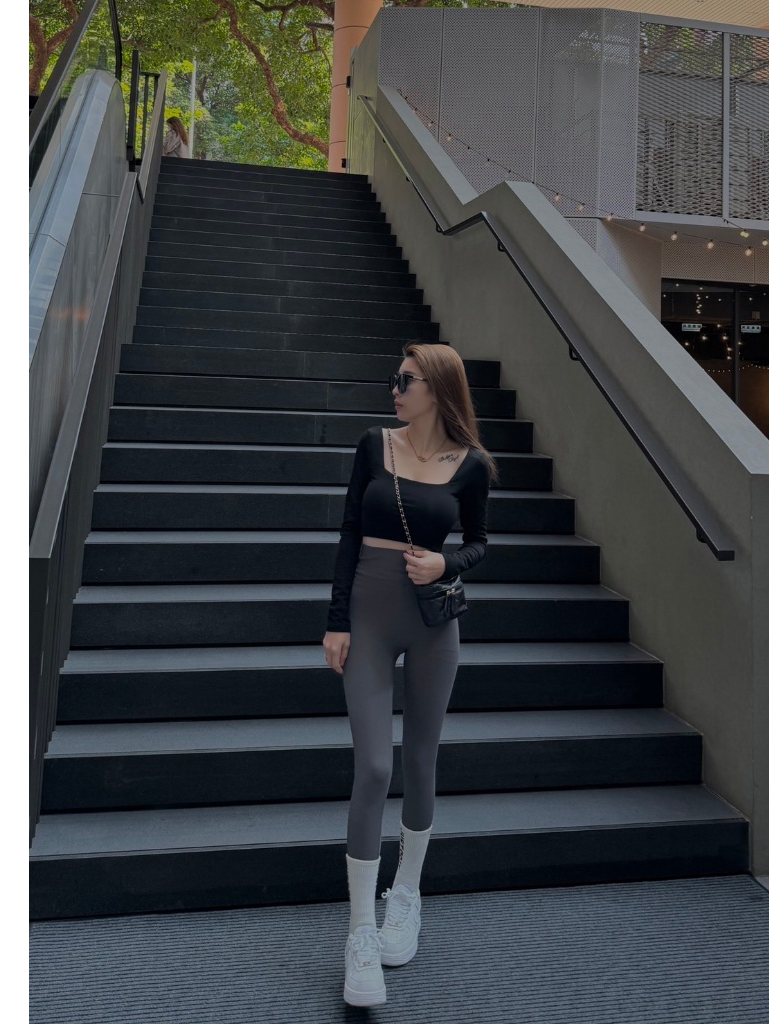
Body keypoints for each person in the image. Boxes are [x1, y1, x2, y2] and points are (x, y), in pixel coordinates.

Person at [323, 342, 497, 1007]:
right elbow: (348, 532)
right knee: (374, 768)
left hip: (432, 624)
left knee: (421, 760)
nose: (395, 389)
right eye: (394, 379)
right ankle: (360, 933)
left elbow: (479, 542)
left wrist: (446, 562)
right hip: (368, 617)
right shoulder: (374, 445)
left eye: (406, 380)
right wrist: (336, 621)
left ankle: (407, 894)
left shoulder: (471, 465)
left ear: (439, 388)